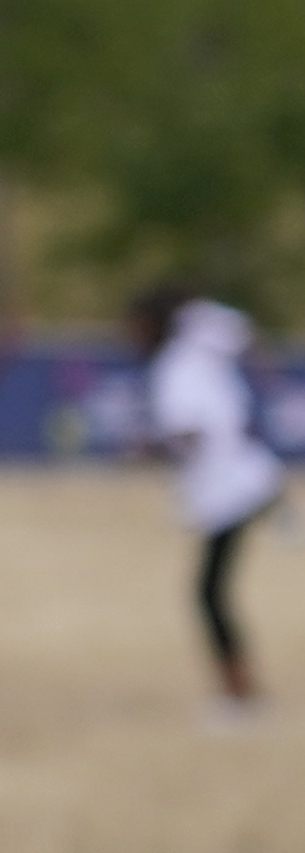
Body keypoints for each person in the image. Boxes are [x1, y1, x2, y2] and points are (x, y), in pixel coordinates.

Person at [137, 292, 285, 719]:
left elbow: (189, 433)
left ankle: (240, 695)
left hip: (227, 491)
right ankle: (239, 689)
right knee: (211, 592)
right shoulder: (192, 351)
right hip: (244, 479)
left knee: (208, 593)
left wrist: (149, 447)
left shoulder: (173, 368)